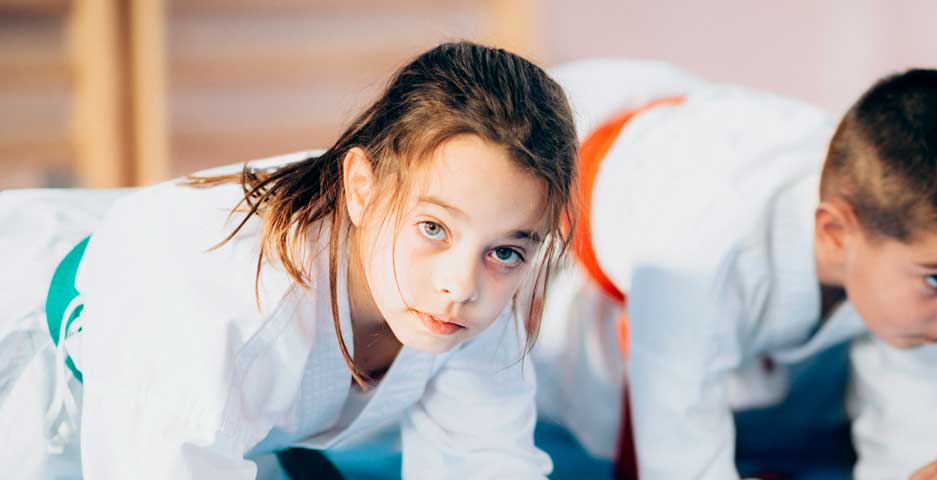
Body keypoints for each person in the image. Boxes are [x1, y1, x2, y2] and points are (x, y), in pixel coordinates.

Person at [0, 41, 577, 478]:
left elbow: (485, 464)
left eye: (506, 250)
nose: (460, 284)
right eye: (433, 228)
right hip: (31, 357)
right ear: (361, 188)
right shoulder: (221, 304)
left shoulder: (479, 285)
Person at [534, 59, 937, 479]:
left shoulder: (914, 238)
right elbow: (681, 463)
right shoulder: (697, 254)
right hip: (579, 144)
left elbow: (923, 448)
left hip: (732, 134)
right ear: (836, 234)